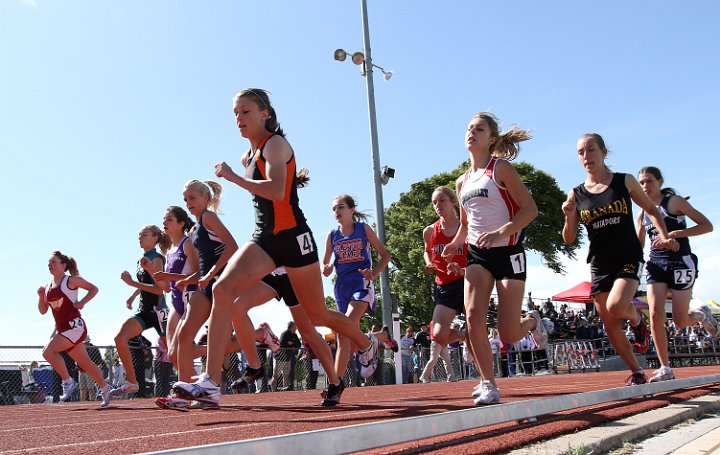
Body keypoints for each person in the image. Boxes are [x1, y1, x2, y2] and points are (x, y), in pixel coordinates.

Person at [171, 88, 378, 408]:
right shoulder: (247, 156)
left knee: (315, 316)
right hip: (264, 239)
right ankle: (212, 383)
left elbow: (279, 191)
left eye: (246, 111)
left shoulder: (277, 144)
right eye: (235, 113)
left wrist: (233, 178)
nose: (239, 118)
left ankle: (365, 343)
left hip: (294, 239)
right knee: (224, 292)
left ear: (265, 113)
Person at [442, 112, 545, 406]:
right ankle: (488, 383)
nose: (472, 132)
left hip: (509, 252)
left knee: (508, 333)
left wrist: (503, 230)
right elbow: (465, 225)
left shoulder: (501, 169)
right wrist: (454, 244)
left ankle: (531, 323)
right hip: (477, 254)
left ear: (492, 139)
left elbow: (530, 210)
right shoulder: (461, 181)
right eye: (469, 128)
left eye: (479, 129)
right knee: (473, 316)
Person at [561, 133, 676, 387]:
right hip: (600, 262)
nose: (586, 156)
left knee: (616, 306)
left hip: (627, 255)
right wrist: (569, 216)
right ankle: (637, 372)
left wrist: (665, 236)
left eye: (591, 150)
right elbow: (569, 239)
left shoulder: (625, 181)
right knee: (610, 322)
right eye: (581, 152)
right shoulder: (576, 193)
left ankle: (637, 320)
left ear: (603, 152)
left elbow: (652, 209)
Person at [636, 166, 716, 382]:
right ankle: (665, 367)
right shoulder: (642, 212)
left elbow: (707, 226)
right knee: (654, 315)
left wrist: (679, 234)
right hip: (656, 264)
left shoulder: (674, 202)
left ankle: (701, 315)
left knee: (680, 321)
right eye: (641, 182)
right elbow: (639, 243)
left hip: (681, 262)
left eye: (649, 181)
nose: (645, 186)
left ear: (660, 182)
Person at [322, 195, 392, 382]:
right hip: (341, 287)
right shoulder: (332, 235)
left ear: (352, 210)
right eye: (334, 209)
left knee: (346, 324)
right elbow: (325, 266)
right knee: (344, 338)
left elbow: (385, 256)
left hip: (361, 283)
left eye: (341, 207)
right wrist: (326, 269)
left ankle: (369, 344)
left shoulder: (363, 229)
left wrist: (373, 273)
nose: (337, 212)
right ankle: (335, 385)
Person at [36, 251, 112, 407]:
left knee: (47, 351)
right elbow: (43, 310)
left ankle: (68, 381)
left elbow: (94, 289)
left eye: (53, 262)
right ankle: (106, 389)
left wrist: (82, 302)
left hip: (74, 327)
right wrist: (40, 296)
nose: (50, 265)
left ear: (63, 265)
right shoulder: (48, 287)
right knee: (86, 364)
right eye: (49, 263)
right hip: (63, 329)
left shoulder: (70, 281)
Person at [111, 225, 171, 397]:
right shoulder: (141, 260)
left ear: (155, 238)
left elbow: (159, 289)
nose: (140, 237)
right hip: (144, 311)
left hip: (158, 311)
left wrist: (132, 284)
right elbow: (146, 283)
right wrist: (133, 295)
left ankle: (191, 386)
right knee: (120, 338)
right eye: (139, 235)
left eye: (144, 234)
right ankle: (132, 382)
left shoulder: (157, 259)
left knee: (172, 353)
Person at [151, 206, 199, 375]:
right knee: (171, 355)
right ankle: (195, 387)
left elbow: (199, 274)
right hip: (176, 302)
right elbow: (166, 288)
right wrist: (154, 272)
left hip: (192, 300)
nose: (164, 222)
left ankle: (220, 347)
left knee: (181, 349)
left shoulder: (188, 244)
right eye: (164, 219)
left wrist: (172, 276)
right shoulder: (170, 251)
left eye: (169, 219)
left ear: (181, 224)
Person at [422, 186, 468, 356]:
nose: (438, 205)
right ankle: (466, 336)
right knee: (438, 335)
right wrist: (429, 263)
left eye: (442, 200)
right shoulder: (429, 231)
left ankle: (487, 378)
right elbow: (427, 251)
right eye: (434, 202)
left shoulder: (467, 227)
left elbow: (480, 256)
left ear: (453, 201)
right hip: (445, 285)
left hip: (468, 282)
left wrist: (462, 269)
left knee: (477, 328)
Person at [271, 321, 300, 391]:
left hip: (288, 358)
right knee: (275, 376)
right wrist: (290, 344)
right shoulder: (284, 334)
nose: (296, 328)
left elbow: (298, 344)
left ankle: (285, 391)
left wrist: (292, 343)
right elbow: (282, 343)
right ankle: (273, 391)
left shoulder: (295, 335)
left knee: (286, 376)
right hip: (279, 358)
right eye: (295, 326)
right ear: (292, 327)